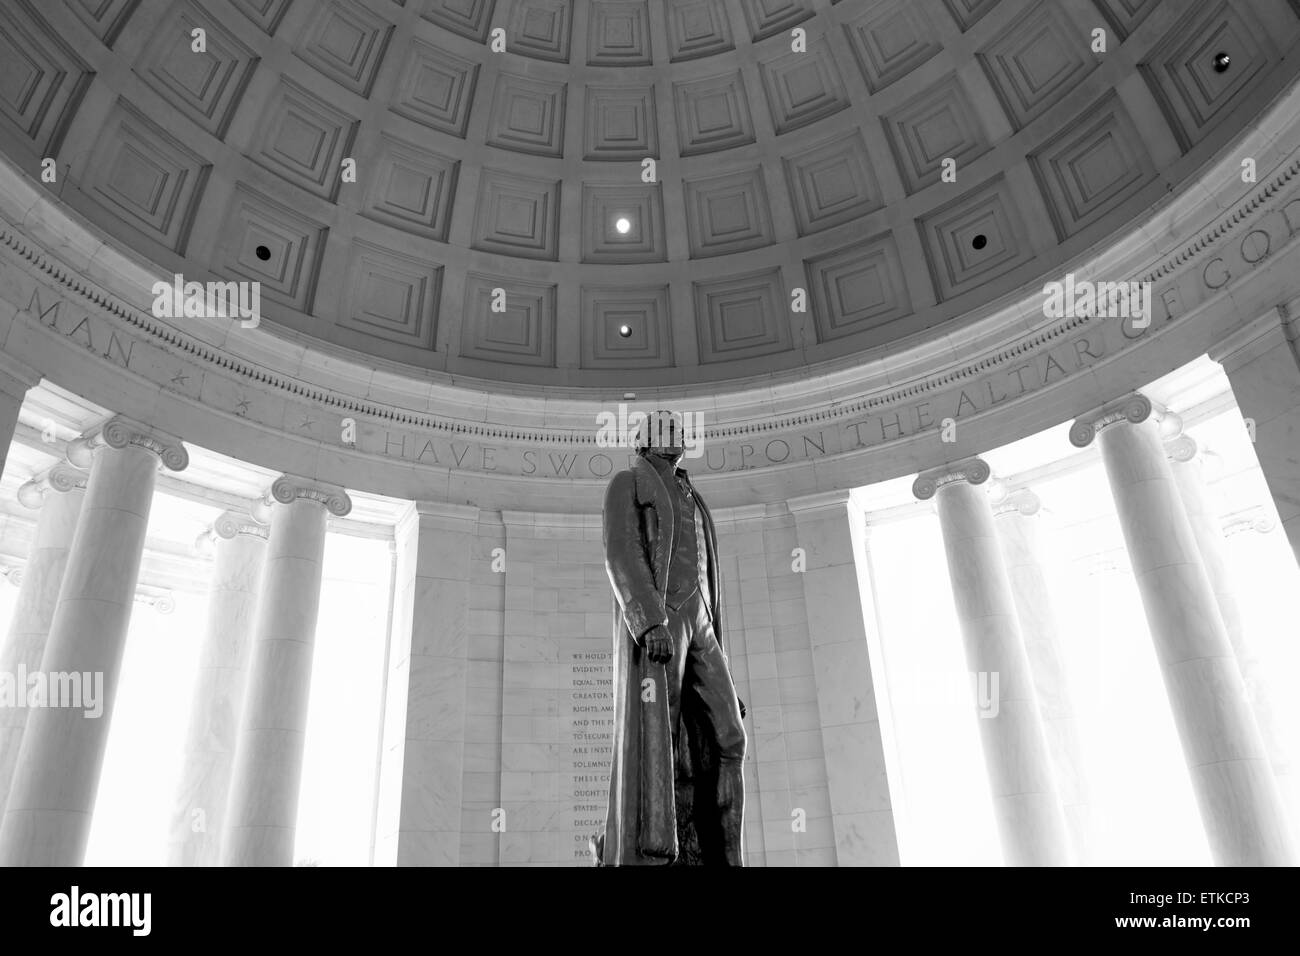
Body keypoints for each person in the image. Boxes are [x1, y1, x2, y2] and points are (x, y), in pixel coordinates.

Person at [598, 410, 746, 866]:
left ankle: (722, 852)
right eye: (667, 429)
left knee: (729, 734)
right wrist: (648, 622)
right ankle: (650, 853)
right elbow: (621, 551)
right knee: (656, 738)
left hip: (701, 622)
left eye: (680, 429)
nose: (678, 435)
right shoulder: (629, 482)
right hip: (664, 622)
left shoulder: (694, 496)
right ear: (645, 440)